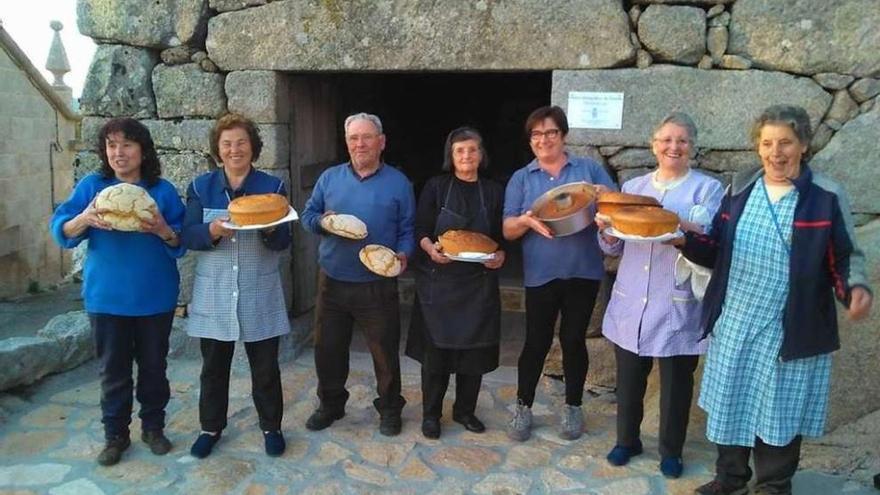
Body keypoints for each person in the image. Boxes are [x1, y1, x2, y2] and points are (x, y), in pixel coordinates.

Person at [672, 105, 873, 495]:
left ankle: (774, 486)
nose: (775, 152)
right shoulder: (741, 188)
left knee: (780, 410)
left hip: (790, 326)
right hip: (737, 319)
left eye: (785, 142)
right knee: (732, 401)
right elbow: (716, 247)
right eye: (767, 143)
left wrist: (855, 290)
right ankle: (730, 479)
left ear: (803, 145)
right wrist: (684, 240)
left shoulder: (825, 196)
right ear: (757, 147)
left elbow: (845, 256)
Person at [50, 118, 185, 466]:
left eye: (126, 144)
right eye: (111, 145)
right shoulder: (93, 187)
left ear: (142, 150)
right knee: (113, 371)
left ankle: (154, 428)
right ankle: (116, 435)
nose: (118, 152)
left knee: (154, 368)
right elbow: (62, 229)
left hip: (154, 297)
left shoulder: (162, 191)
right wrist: (84, 219)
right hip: (107, 299)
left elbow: (180, 240)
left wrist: (162, 229)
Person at [596, 112, 724, 479]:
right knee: (630, 378)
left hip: (677, 299)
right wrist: (605, 229)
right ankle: (627, 440)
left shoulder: (707, 189)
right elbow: (614, 247)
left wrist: (671, 221)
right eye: (666, 140)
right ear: (654, 145)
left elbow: (709, 236)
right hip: (632, 295)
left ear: (692, 148)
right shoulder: (634, 186)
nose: (674, 147)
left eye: (682, 141)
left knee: (676, 384)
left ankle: (671, 450)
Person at [180, 113, 292, 458]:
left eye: (241, 142)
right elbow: (188, 236)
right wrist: (212, 231)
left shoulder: (272, 189)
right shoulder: (200, 187)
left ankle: (271, 427)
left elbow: (284, 239)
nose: (234, 149)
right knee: (213, 367)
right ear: (217, 149)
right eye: (227, 143)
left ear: (253, 147)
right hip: (215, 291)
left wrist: (271, 227)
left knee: (266, 368)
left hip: (259, 288)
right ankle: (210, 428)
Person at [503, 105, 617, 442]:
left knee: (572, 339)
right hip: (541, 273)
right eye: (536, 134)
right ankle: (523, 406)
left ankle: (573, 406)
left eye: (550, 132)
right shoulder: (522, 178)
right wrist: (524, 221)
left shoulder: (587, 170)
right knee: (536, 341)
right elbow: (508, 228)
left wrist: (604, 200)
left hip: (583, 270)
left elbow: (612, 203)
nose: (543, 139)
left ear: (563, 135)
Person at [301, 112, 416, 436]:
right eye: (353, 138)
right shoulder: (329, 178)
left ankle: (390, 407)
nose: (360, 143)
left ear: (382, 142)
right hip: (333, 280)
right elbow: (308, 215)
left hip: (377, 283)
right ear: (347, 142)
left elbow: (408, 229)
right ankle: (331, 404)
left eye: (367, 137)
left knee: (384, 350)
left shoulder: (398, 182)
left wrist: (404, 254)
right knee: (328, 349)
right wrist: (323, 222)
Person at [405, 127, 506, 439]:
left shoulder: (492, 190)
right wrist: (429, 249)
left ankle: (465, 410)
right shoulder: (436, 187)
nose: (466, 156)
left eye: (472, 150)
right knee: (435, 356)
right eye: (460, 150)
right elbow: (420, 228)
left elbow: (502, 237)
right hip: (440, 284)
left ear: (481, 154)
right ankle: (431, 415)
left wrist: (501, 254)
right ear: (451, 155)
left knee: (472, 356)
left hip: (478, 284)